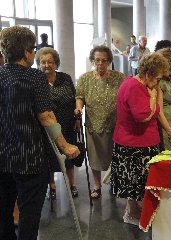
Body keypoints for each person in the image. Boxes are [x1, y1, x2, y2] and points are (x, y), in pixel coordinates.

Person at [0, 25, 79, 240]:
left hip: (2, 157)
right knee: (29, 212)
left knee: (4, 211)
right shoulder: (34, 77)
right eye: (33, 49)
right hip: (29, 157)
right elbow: (47, 117)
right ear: (26, 52)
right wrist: (66, 146)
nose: (35, 53)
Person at [111, 52, 171, 226]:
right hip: (133, 143)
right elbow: (143, 117)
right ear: (148, 74)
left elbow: (158, 113)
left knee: (142, 182)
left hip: (145, 142)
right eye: (157, 78)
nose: (158, 82)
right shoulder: (135, 87)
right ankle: (132, 213)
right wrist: (153, 98)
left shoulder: (146, 86)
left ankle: (138, 212)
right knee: (135, 183)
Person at [75, 45, 125, 199]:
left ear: (109, 61)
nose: (100, 64)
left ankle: (114, 182)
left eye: (104, 60)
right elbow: (80, 96)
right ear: (92, 60)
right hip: (93, 124)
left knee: (115, 156)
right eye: (97, 60)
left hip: (114, 124)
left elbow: (125, 96)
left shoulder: (119, 77)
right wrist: (78, 109)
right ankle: (97, 186)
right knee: (94, 156)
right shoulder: (85, 78)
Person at [35, 47, 79, 199]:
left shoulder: (65, 78)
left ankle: (72, 185)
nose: (46, 65)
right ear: (39, 64)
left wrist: (77, 119)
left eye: (50, 62)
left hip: (67, 124)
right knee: (49, 158)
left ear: (56, 63)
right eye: (43, 62)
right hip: (47, 128)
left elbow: (74, 99)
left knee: (69, 157)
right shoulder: (37, 80)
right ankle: (52, 186)